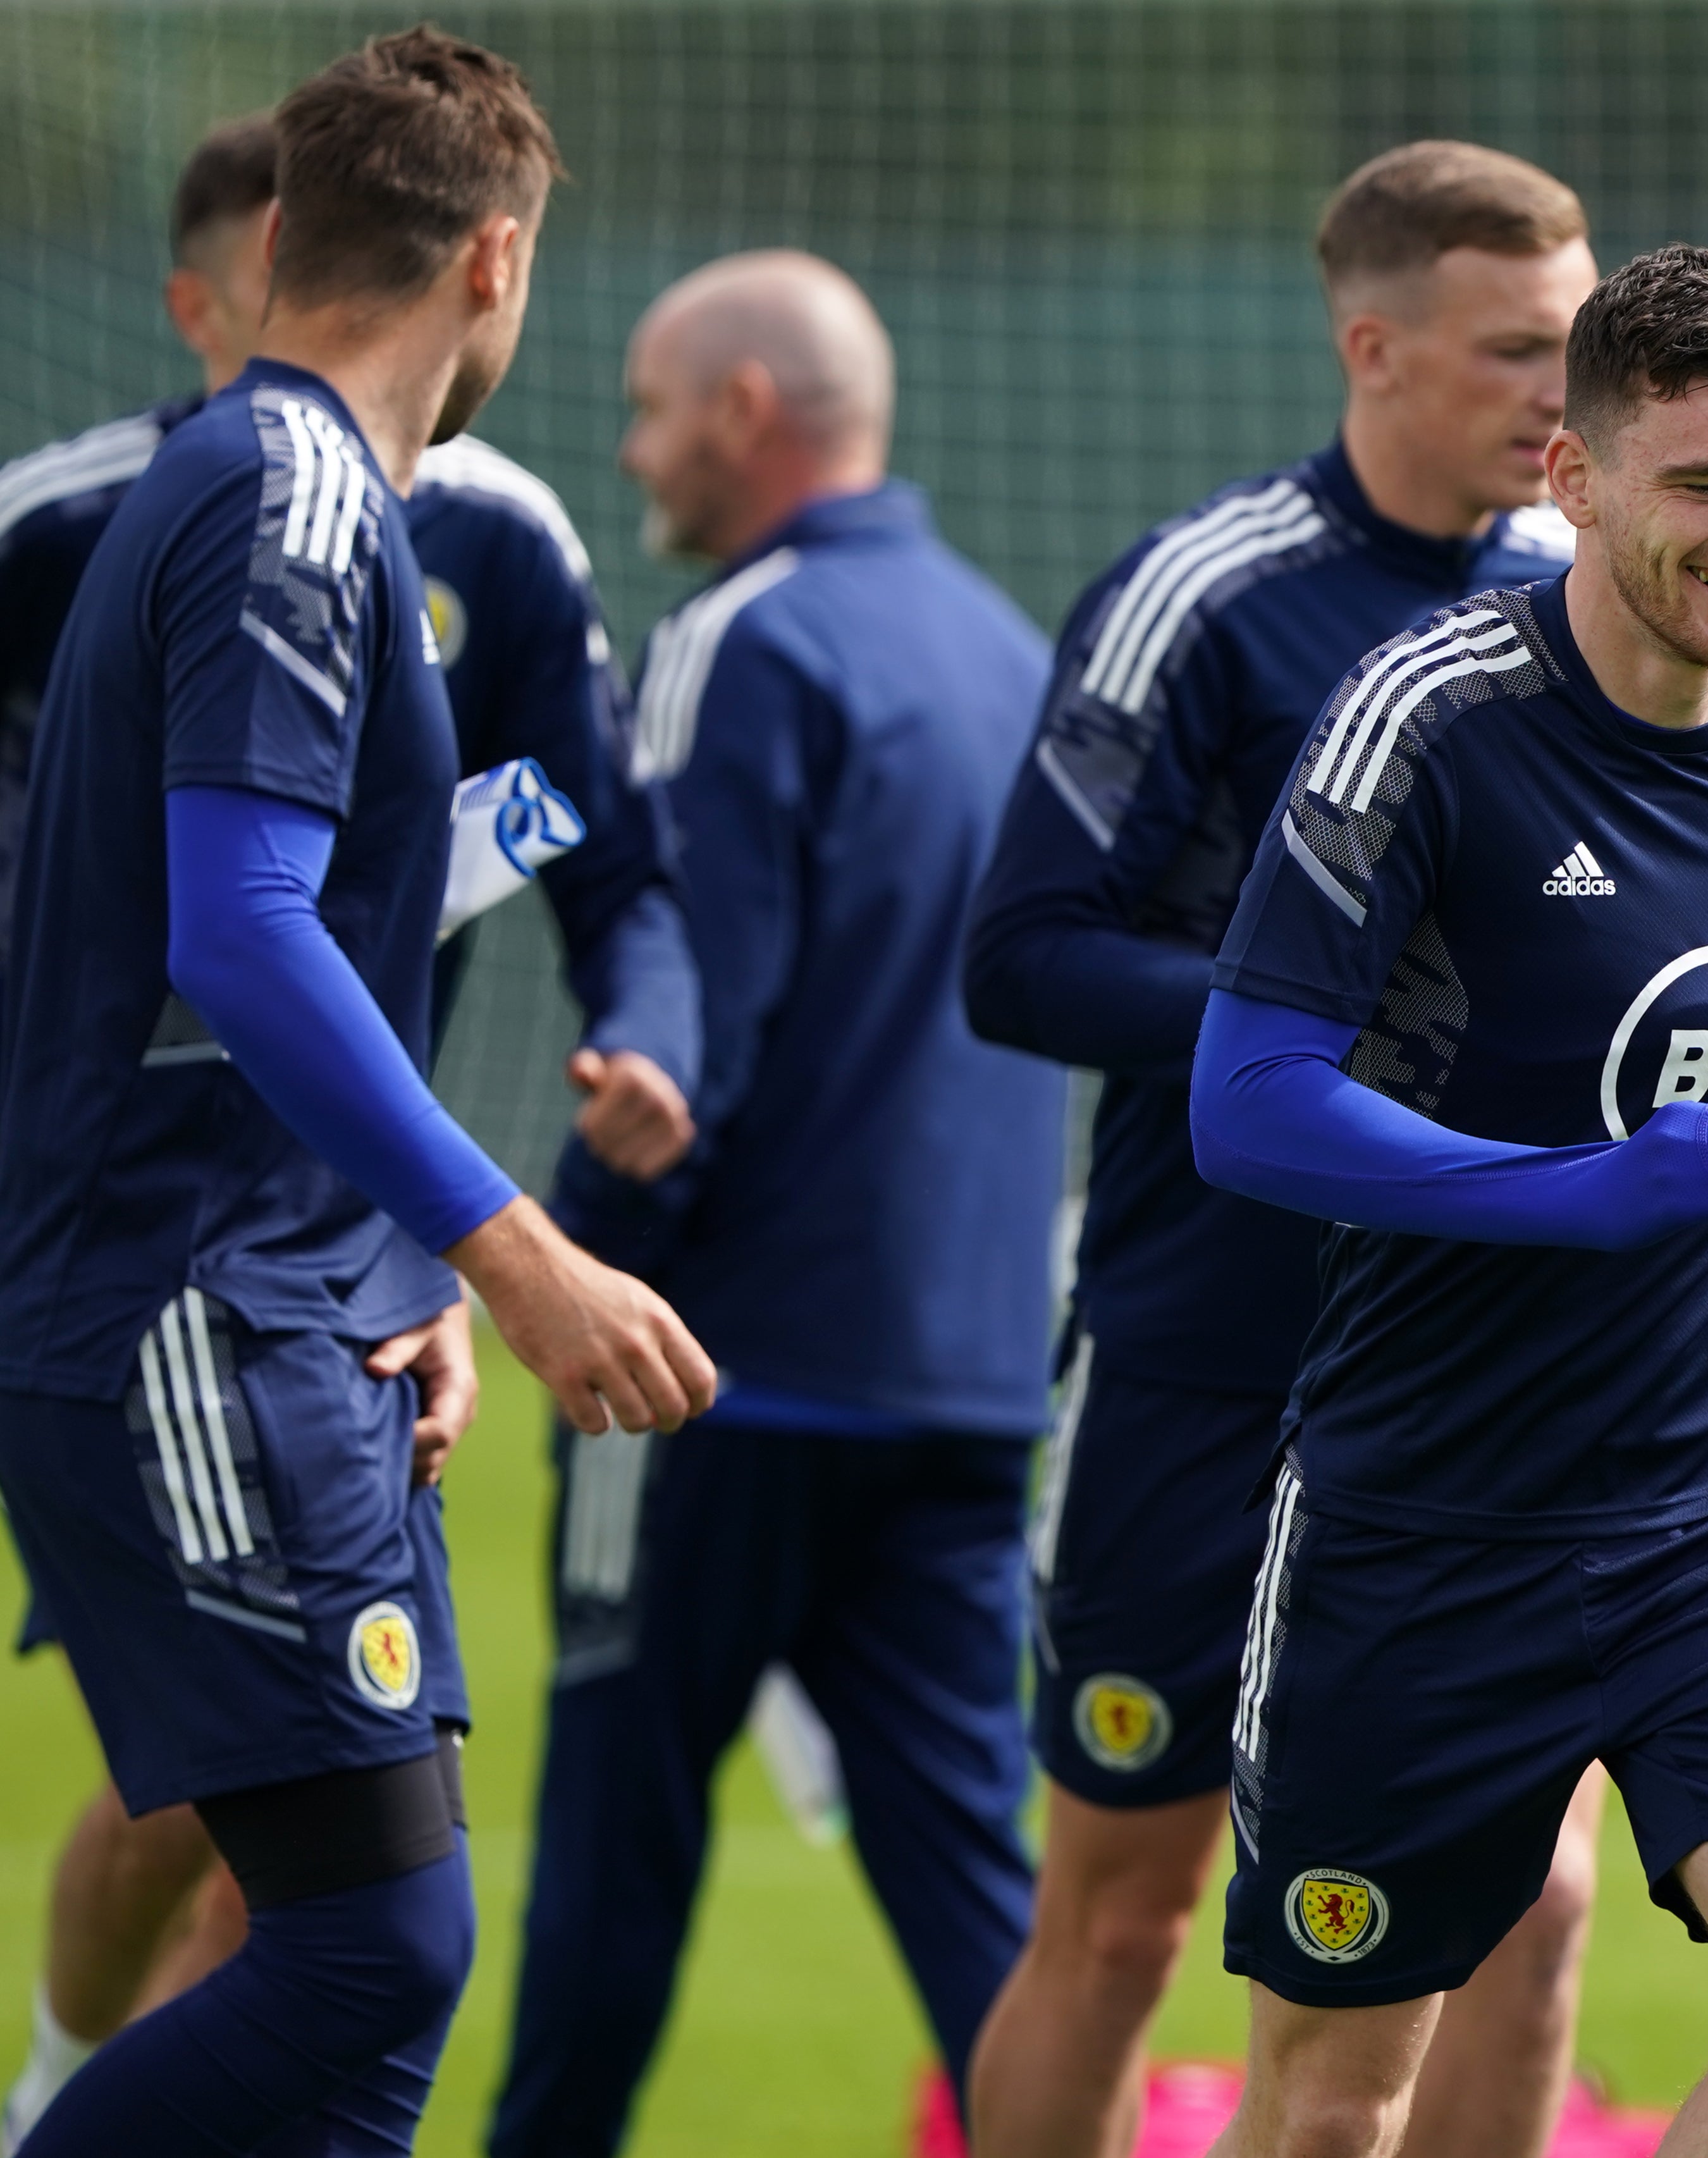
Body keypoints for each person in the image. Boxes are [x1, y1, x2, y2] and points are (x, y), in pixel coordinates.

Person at [0, 30, 716, 2157]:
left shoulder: (305, 489)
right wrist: (515, 1250)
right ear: (496, 260)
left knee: (371, 2000)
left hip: (292, 1311)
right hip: (185, 1324)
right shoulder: (295, 498)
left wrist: (391, 1250)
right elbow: (239, 931)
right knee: (365, 1946)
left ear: (283, 238)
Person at [1189, 242, 1708, 2158]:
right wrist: (1577, 1192)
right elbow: (1248, 1102)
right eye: (1704, 483)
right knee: (1338, 2102)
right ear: (1571, 478)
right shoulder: (1425, 715)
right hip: (1419, 1528)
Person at [959, 142, 1607, 2158]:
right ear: (1371, 345)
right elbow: (1023, 957)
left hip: (1482, 1372)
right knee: (1126, 1914)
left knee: (1530, 1903)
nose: (1559, 396)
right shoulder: (1208, 596)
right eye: (1516, 350)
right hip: (1203, 1360)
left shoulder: (1580, 605)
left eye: (1581, 351)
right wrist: (1321, 1022)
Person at [487, 250, 1062, 2158]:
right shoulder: (1001, 646)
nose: (635, 449)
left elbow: (680, 1051)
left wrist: (537, 1259)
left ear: (744, 410)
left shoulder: (745, 638)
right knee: (979, 1894)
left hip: (705, 1384)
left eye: (652, 408)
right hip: (963, 1382)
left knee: (609, 1863)